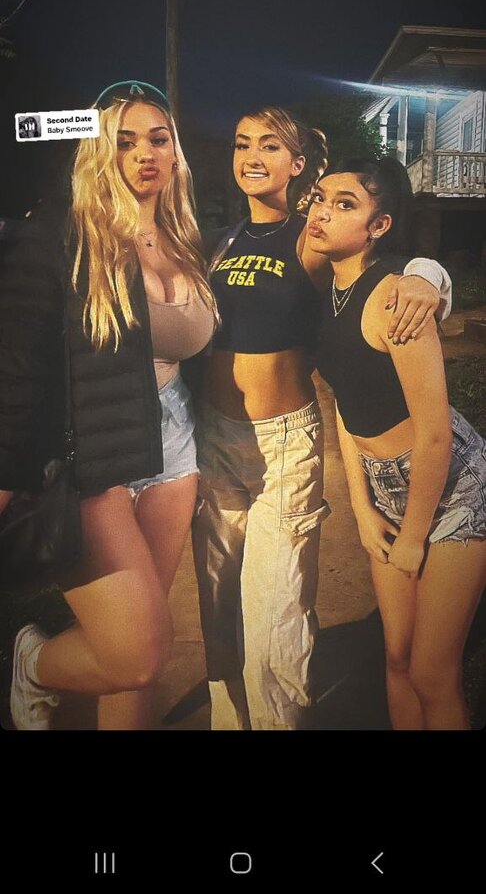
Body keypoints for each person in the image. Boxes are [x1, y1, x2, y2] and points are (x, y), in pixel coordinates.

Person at [192, 106, 452, 730]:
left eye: (270, 146)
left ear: (299, 165)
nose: (252, 156)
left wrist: (430, 276)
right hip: (217, 440)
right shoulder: (217, 243)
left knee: (276, 610)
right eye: (242, 144)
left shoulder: (310, 236)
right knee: (218, 603)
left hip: (283, 444)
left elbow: (384, 265)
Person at [0, 80, 217, 731]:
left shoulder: (188, 237)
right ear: (99, 152)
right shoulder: (62, 235)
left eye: (158, 138)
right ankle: (34, 663)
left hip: (174, 446)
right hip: (93, 456)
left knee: (143, 650)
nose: (145, 154)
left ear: (175, 150)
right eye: (124, 142)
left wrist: (423, 276)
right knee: (136, 650)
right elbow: (16, 367)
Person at [308, 156, 486, 729]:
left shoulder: (397, 298)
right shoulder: (327, 294)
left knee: (433, 673)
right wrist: (362, 510)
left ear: (378, 225)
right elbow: (345, 410)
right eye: (319, 198)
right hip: (383, 488)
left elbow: (434, 432)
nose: (322, 212)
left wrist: (413, 536)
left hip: (452, 485)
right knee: (396, 657)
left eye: (345, 204)